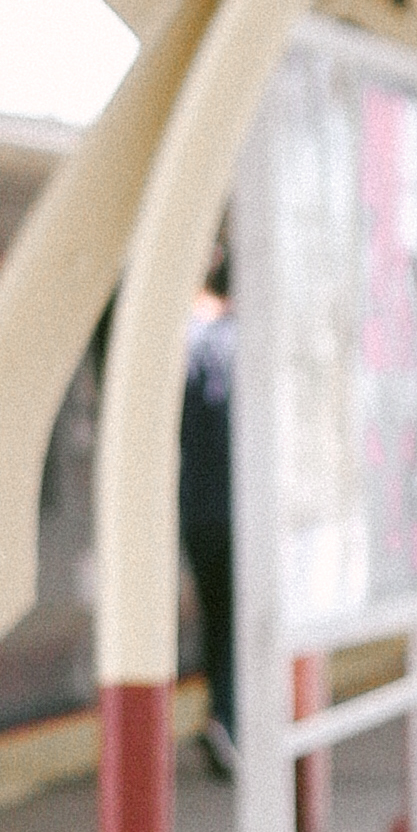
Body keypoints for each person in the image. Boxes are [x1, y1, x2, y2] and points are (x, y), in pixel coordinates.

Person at [176, 252, 236, 777]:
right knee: (238, 624)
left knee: (217, 621)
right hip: (244, 513)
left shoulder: (188, 342)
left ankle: (219, 712)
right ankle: (231, 722)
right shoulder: (247, 343)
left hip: (196, 508)